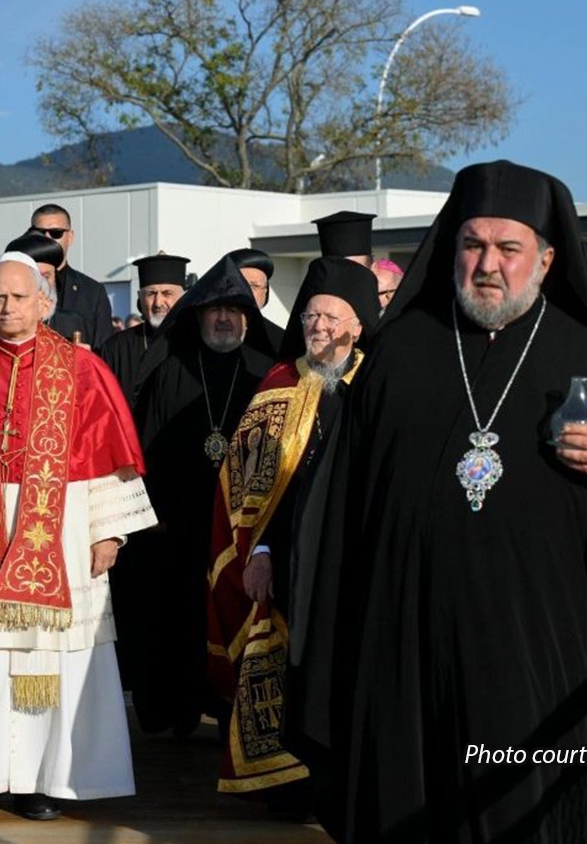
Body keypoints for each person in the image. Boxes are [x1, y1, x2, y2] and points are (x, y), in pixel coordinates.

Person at [290, 160, 587, 843]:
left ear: (545, 259)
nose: (488, 264)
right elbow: (342, 508)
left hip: (539, 656)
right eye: (473, 244)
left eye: (508, 249)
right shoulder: (398, 355)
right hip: (403, 647)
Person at [0, 252, 157, 822]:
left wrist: (110, 534)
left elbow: (111, 458)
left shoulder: (82, 369)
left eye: (18, 297)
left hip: (62, 523)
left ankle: (43, 781)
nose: (6, 307)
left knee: (54, 660)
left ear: (43, 303)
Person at [206, 256, 379, 800]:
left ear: (357, 325)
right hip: (289, 559)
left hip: (359, 556)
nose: (319, 327)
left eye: (332, 317)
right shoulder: (280, 382)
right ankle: (290, 784)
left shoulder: (379, 383)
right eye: (310, 316)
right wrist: (258, 551)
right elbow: (249, 487)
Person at [117, 256, 279, 737]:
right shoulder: (171, 371)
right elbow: (146, 447)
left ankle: (231, 711)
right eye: (215, 311)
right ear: (198, 315)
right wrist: (155, 513)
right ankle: (174, 709)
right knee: (176, 618)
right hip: (178, 525)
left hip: (241, 527)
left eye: (234, 310)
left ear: (248, 316)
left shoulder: (266, 373)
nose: (224, 319)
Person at [99, 252, 190, 404]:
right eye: (151, 294)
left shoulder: (197, 340)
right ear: (140, 298)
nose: (158, 302)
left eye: (167, 293)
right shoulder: (116, 348)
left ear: (184, 297)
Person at [30, 204, 115, 349]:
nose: (47, 238)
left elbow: (105, 351)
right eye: (39, 233)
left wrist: (87, 359)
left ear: (70, 237)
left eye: (56, 233)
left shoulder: (93, 293)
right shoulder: (16, 286)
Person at [230, 248, 285, 352]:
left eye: (254, 286)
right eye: (240, 284)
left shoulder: (281, 340)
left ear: (265, 292)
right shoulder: (212, 330)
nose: (247, 291)